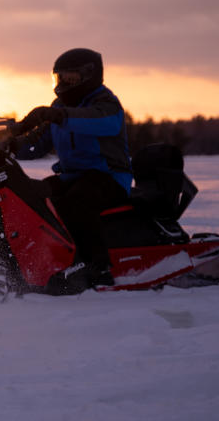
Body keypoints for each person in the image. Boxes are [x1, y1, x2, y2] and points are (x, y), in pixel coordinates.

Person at [14, 47, 132, 286]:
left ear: (89, 76)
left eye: (70, 78)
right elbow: (36, 144)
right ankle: (38, 261)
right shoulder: (59, 107)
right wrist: (6, 144)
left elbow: (98, 122)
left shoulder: (106, 104)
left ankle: (97, 268)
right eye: (60, 77)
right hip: (71, 177)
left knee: (77, 202)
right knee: (31, 198)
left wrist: (59, 116)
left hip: (108, 177)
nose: (63, 83)